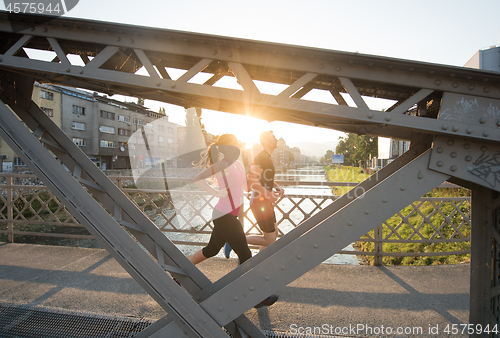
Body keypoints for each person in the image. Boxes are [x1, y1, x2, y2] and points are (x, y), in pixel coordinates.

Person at [224, 130, 282, 308]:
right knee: (270, 239)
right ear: (266, 140)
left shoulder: (267, 156)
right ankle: (233, 241)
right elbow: (253, 183)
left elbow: (264, 179)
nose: (276, 138)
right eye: (273, 136)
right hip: (260, 202)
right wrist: (269, 195)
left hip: (265, 202)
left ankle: (258, 281)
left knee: (271, 238)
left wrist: (277, 187)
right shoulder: (261, 156)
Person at [189, 134, 252, 266]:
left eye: (238, 146)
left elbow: (246, 188)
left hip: (231, 215)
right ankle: (242, 286)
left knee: (211, 250)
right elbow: (197, 179)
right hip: (223, 215)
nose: (237, 149)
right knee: (246, 255)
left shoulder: (239, 165)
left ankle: (181, 273)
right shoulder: (221, 165)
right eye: (234, 147)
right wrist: (216, 193)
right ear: (225, 149)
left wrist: (255, 177)